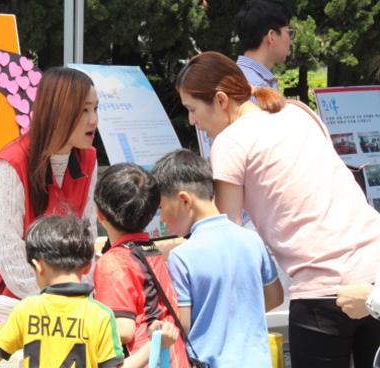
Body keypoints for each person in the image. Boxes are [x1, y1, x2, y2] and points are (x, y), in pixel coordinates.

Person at [175, 50, 380, 368]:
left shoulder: (230, 142)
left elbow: (225, 237)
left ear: (220, 100)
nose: (192, 121)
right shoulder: (299, 112)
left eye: (192, 109)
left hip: (322, 290)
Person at [0, 67, 99, 301]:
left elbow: (87, 237)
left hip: (55, 297)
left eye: (95, 108)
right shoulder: (14, 160)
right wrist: (58, 298)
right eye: (84, 110)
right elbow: (8, 250)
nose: (94, 120)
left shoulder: (88, 158)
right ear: (57, 112)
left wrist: (79, 294)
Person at [0, 214, 180, 368]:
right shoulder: (100, 315)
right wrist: (154, 344)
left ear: (38, 266)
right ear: (86, 267)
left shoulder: (26, 309)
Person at [152, 148, 283, 367]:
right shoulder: (251, 240)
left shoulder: (182, 256)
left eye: (161, 207)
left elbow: (182, 325)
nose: (163, 218)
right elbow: (275, 296)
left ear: (184, 200)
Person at [93, 163, 190, 368]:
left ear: (100, 214)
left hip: (144, 359)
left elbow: (123, 330)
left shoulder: (113, 262)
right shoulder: (151, 251)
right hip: (172, 357)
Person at [235, 0, 293, 90]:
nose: (291, 41)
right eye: (289, 33)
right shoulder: (256, 87)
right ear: (272, 36)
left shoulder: (234, 77)